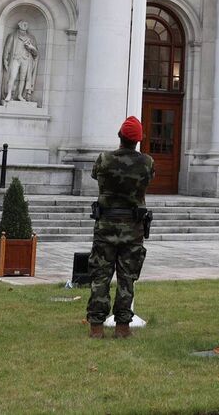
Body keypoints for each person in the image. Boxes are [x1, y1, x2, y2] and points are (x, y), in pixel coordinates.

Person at [86, 116, 154, 339]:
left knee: (101, 276)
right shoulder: (146, 162)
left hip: (106, 226)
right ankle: (122, 327)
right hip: (132, 229)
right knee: (127, 278)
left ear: (120, 136)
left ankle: (96, 326)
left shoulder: (104, 159)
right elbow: (147, 180)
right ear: (138, 140)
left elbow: (95, 175)